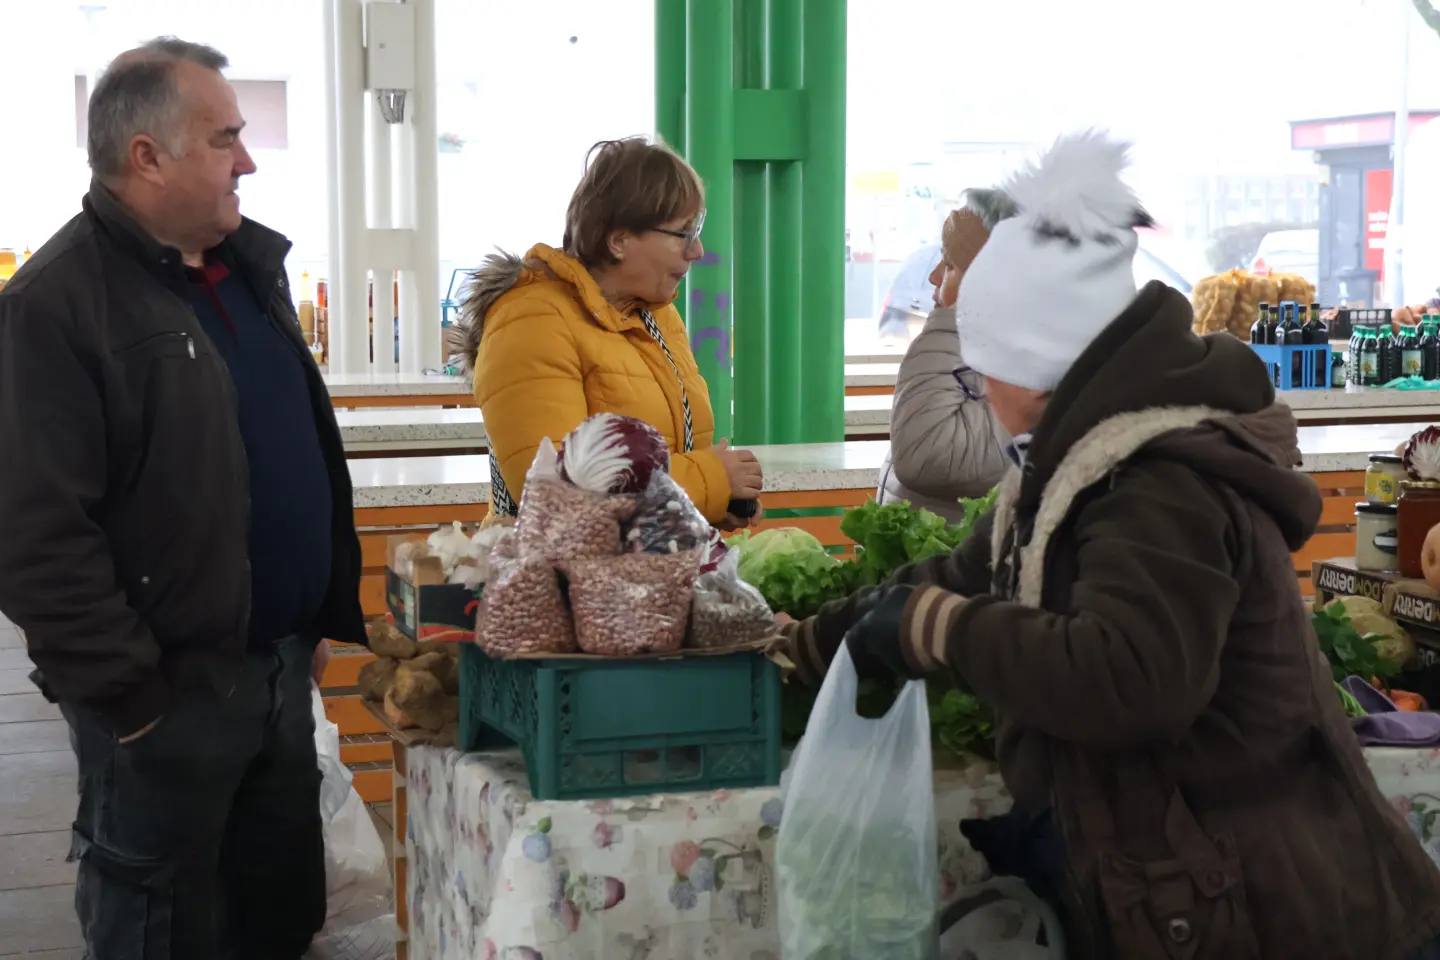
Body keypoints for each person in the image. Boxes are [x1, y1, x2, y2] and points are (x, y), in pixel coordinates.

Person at [782, 131, 1440, 959]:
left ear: (1033, 365)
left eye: (986, 369)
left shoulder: (1158, 481)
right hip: (1204, 893)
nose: (983, 391)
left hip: (1279, 910)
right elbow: (966, 571)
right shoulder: (1067, 466)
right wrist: (806, 643)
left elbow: (1133, 678)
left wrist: (938, 629)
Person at [0, 38, 365, 958]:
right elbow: (32, 527)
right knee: (159, 928)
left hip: (276, 673)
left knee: (276, 919)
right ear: (146, 157)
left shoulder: (245, 271)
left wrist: (308, 621)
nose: (246, 160)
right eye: (225, 139)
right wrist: (132, 696)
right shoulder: (56, 302)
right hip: (166, 696)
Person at [447, 137, 762, 527]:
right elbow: (555, 497)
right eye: (683, 232)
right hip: (559, 579)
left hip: (650, 568)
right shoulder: (532, 321)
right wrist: (710, 479)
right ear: (619, 241)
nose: (696, 250)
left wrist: (715, 506)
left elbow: (668, 458)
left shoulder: (656, 316)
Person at [877, 190, 1014, 521]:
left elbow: (928, 453)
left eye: (950, 264)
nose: (934, 276)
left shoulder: (1032, 375)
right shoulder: (987, 356)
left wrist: (961, 317)